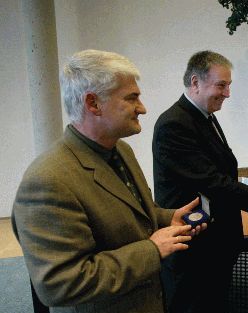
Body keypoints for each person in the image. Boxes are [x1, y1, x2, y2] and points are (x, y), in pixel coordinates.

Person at [11, 49, 206, 313]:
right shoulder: (48, 180)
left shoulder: (120, 151)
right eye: (132, 98)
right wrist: (152, 250)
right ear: (93, 103)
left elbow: (124, 214)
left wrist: (164, 218)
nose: (143, 108)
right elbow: (60, 284)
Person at [152, 50, 248, 313]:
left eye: (228, 85)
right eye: (221, 85)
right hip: (193, 249)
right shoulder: (174, 124)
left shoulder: (203, 117)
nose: (227, 93)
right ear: (195, 82)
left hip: (213, 246)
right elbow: (213, 182)